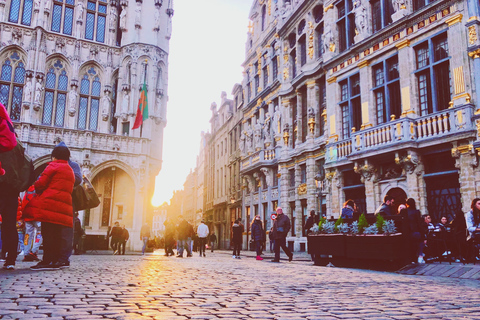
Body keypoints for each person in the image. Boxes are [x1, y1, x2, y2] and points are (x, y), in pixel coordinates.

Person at [27, 143, 75, 270]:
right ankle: (55, 260)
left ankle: (47, 260)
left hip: (50, 205)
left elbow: (40, 184)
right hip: (64, 207)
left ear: (54, 156)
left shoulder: (53, 166)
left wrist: (36, 186)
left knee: (48, 234)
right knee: (57, 235)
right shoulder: (70, 170)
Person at [400, 198, 426, 264]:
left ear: (407, 204)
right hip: (415, 231)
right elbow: (419, 224)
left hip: (407, 233)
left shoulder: (404, 211)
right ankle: (420, 256)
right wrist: (423, 235)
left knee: (411, 245)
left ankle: (412, 259)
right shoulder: (416, 212)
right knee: (420, 241)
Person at [22, 185, 42, 261]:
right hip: (37, 214)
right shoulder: (40, 189)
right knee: (40, 233)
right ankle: (33, 251)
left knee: (27, 235)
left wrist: (23, 215)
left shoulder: (28, 190)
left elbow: (24, 202)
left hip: (27, 215)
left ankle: (26, 253)